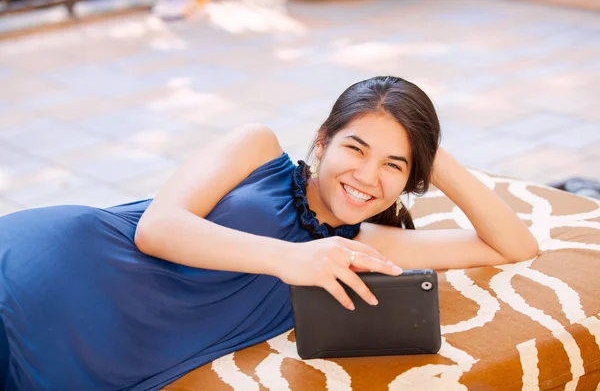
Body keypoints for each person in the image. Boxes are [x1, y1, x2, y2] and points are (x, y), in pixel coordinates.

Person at [0, 76, 539, 390]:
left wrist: (429, 151)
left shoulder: (365, 245)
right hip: (48, 269)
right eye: (355, 148)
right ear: (323, 141)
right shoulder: (257, 148)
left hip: (98, 353)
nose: (368, 177)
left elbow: (512, 245)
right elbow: (157, 229)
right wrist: (289, 259)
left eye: (394, 166)